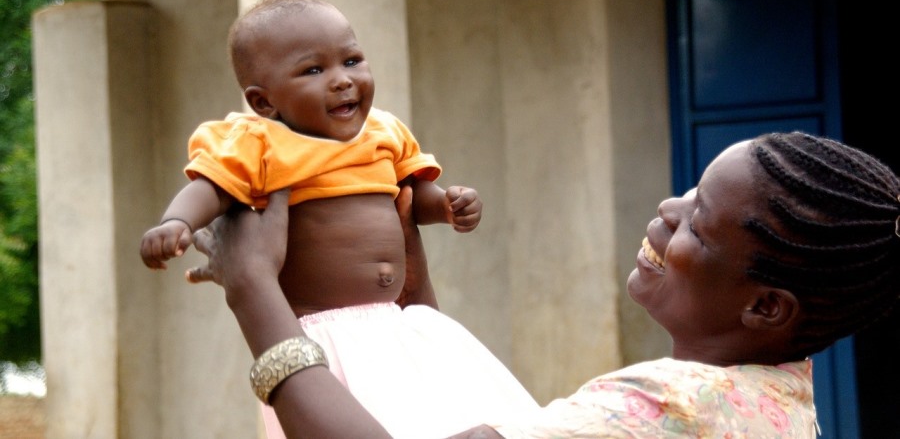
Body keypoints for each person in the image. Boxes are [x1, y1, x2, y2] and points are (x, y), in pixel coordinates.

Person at [189, 131, 899, 438]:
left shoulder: (669, 407)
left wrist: (252, 287)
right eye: (688, 190)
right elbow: (436, 411)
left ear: (766, 306)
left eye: (698, 223)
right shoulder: (776, 397)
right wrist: (401, 238)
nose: (667, 210)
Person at [140, 0, 537, 438]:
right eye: (313, 70)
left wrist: (446, 204)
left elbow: (411, 193)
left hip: (400, 322)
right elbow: (209, 186)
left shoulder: (383, 131)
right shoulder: (259, 144)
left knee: (456, 415)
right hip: (326, 332)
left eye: (352, 60)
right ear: (264, 102)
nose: (342, 80)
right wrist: (176, 223)